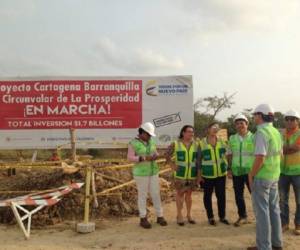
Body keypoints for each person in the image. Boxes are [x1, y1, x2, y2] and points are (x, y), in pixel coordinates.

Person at [247, 104, 283, 250]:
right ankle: (276, 243)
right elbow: (280, 154)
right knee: (274, 210)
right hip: (274, 175)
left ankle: (264, 246)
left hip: (262, 177)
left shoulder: (261, 132)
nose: (254, 117)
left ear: (260, 116)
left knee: (262, 213)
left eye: (255, 114)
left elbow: (260, 158)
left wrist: (251, 175)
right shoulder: (275, 132)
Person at [127, 122, 167, 229]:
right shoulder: (133, 143)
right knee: (143, 195)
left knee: (155, 194)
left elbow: (155, 152)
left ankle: (160, 216)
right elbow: (130, 158)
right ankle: (143, 218)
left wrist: (156, 155)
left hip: (153, 171)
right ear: (142, 132)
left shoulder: (151, 141)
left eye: (150, 135)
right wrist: (142, 158)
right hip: (141, 173)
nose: (149, 136)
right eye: (148, 134)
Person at [198, 122, 230, 226]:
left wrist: (229, 168)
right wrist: (199, 176)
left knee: (221, 196)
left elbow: (228, 154)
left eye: (217, 127)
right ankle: (210, 217)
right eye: (213, 127)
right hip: (207, 175)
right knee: (207, 196)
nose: (215, 129)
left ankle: (222, 216)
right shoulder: (201, 143)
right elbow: (198, 160)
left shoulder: (222, 141)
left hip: (221, 174)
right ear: (208, 129)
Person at [166, 125, 198, 226]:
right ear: (183, 133)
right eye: (189, 131)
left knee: (189, 195)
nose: (191, 134)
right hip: (180, 175)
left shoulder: (196, 144)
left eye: (192, 132)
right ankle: (179, 215)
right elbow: (167, 154)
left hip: (192, 174)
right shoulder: (176, 144)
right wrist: (172, 165)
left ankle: (189, 215)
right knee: (180, 194)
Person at [227, 114, 254, 227]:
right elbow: (229, 154)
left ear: (247, 124)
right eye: (237, 124)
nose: (239, 125)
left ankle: (261, 217)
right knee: (238, 195)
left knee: (256, 195)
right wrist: (229, 169)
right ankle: (242, 216)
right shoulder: (232, 138)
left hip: (251, 172)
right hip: (237, 171)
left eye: (242, 123)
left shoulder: (254, 137)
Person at [279, 109, 300, 235]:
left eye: (293, 119)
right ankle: (284, 223)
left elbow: (296, 148)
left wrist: (285, 149)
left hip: (298, 172)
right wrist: (287, 149)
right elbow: (279, 149)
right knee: (282, 200)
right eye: (287, 119)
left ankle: (298, 224)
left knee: (299, 200)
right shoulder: (281, 134)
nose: (290, 121)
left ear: (297, 121)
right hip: (283, 172)